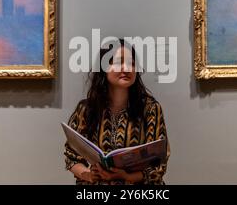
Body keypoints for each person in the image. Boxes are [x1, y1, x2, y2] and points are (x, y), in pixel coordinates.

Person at [64, 39, 170, 185]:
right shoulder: (86, 109)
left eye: (131, 63)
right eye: (119, 63)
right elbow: (71, 157)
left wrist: (126, 176)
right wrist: (88, 175)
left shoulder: (150, 108)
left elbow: (159, 163)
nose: (126, 69)